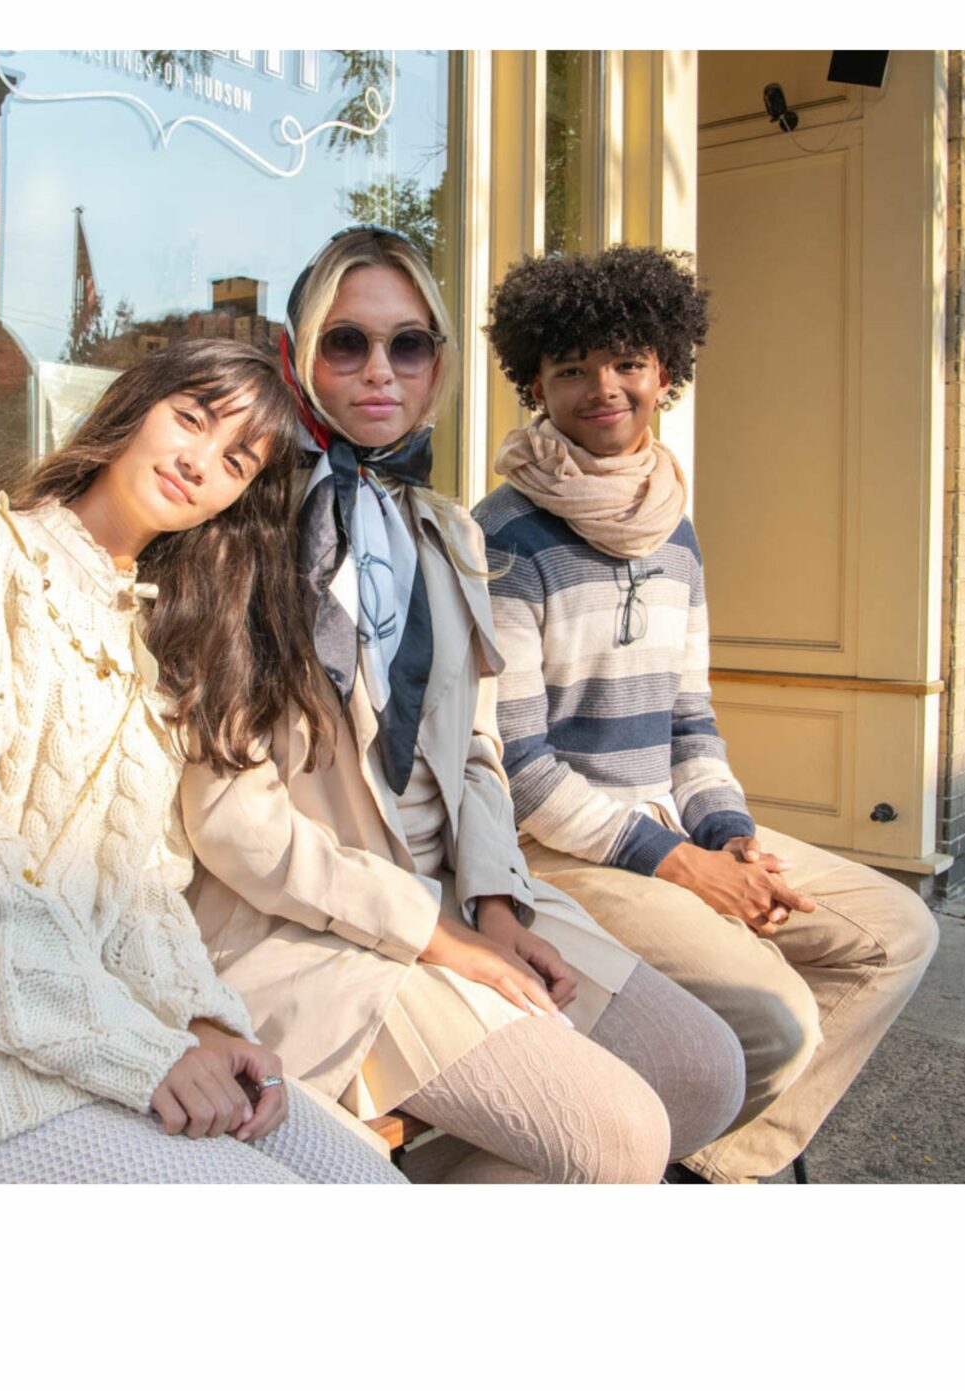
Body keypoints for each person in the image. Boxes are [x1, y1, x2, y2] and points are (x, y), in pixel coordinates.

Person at [179, 226, 747, 1184]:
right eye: (346, 342)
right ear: (299, 355)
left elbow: (479, 749)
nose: (379, 372)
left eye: (408, 345)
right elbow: (230, 821)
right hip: (312, 926)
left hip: (459, 890)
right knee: (614, 1140)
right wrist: (437, 934)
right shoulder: (237, 535)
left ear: (438, 367)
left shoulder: (446, 529)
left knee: (705, 1074)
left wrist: (495, 901)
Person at [0, 337, 405, 1184]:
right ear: (135, 405)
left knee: (370, 1184)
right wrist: (140, 1048)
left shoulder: (150, 633)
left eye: (234, 460)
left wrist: (203, 1020)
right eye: (190, 417)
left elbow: (145, 886)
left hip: (82, 1035)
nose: (199, 462)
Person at [474, 245, 940, 1182]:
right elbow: (519, 766)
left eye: (627, 363)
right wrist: (682, 865)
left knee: (898, 934)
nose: (604, 388)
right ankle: (690, 1154)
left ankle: (718, 1166)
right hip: (565, 850)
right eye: (572, 370)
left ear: (666, 373)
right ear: (536, 383)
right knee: (776, 1019)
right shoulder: (503, 539)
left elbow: (691, 717)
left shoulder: (674, 528)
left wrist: (730, 837)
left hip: (672, 823)